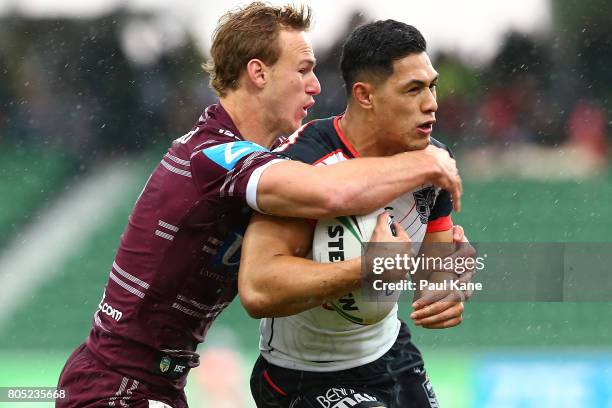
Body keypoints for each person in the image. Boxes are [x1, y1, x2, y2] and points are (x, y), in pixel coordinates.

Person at [56, 3, 464, 408]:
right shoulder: (215, 155)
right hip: (115, 384)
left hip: (157, 384)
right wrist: (426, 162)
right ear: (258, 72)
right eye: (303, 69)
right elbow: (330, 193)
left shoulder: (253, 157)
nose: (316, 86)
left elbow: (422, 256)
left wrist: (443, 269)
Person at [240, 20, 474, 407]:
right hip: (303, 375)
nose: (431, 102)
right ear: (365, 96)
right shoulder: (305, 164)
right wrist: (368, 268)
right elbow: (258, 288)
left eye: (431, 85)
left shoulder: (435, 162)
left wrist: (451, 281)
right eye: (413, 89)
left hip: (391, 355)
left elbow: (435, 270)